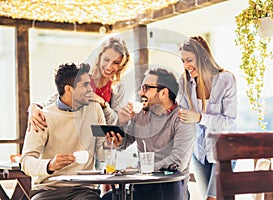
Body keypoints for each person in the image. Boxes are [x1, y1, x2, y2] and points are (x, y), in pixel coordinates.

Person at [20, 62, 122, 200]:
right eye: (85, 85)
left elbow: (101, 153)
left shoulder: (95, 110)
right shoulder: (42, 117)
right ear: (69, 89)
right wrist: (50, 165)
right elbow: (26, 162)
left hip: (83, 190)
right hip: (48, 190)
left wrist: (110, 144)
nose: (91, 90)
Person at [104, 67, 196, 200]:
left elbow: (178, 161)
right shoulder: (139, 115)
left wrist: (140, 170)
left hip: (170, 186)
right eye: (142, 87)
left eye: (146, 88)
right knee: (107, 198)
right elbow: (123, 143)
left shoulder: (182, 119)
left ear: (164, 93)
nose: (141, 92)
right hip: (143, 185)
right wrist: (121, 122)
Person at [177, 36, 238, 200]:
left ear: (203, 56)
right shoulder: (184, 82)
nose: (186, 66)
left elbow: (229, 121)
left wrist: (199, 117)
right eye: (183, 61)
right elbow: (180, 117)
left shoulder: (226, 80)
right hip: (199, 153)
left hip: (224, 152)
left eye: (189, 60)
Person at [28, 37, 130, 132]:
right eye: (106, 60)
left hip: (99, 140)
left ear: (121, 65)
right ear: (99, 57)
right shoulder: (84, 75)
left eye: (116, 62)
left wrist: (103, 103)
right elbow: (60, 98)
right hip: (77, 134)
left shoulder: (118, 86)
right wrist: (34, 107)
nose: (109, 66)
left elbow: (115, 123)